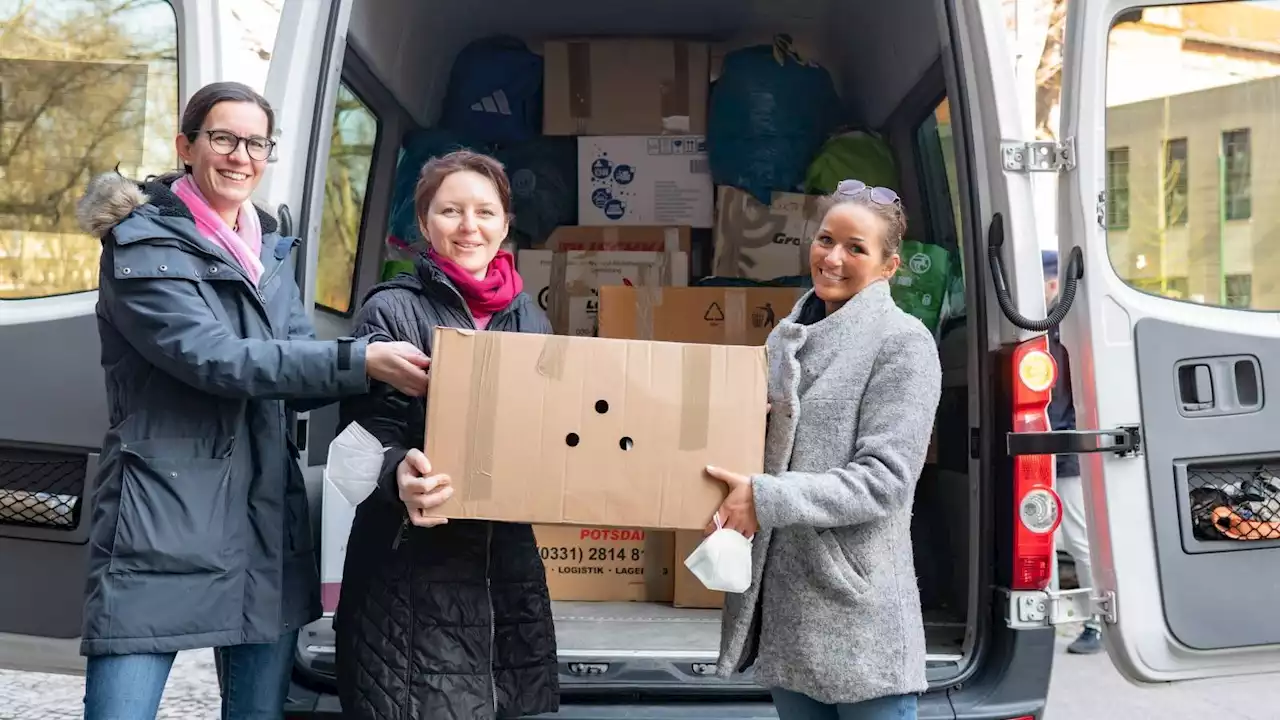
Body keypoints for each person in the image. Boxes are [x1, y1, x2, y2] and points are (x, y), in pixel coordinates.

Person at [74, 81, 431, 719]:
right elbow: (215, 358)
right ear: (187, 146)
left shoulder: (268, 253)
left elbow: (294, 366)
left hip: (264, 513)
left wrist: (393, 364)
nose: (241, 155)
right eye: (223, 138)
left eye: (256, 143)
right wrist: (360, 359)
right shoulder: (140, 249)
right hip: (166, 508)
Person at [333, 150, 559, 720]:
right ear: (424, 223)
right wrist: (398, 482)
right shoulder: (392, 311)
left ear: (506, 224)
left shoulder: (532, 320)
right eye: (450, 211)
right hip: (410, 569)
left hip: (504, 567)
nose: (469, 227)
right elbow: (357, 443)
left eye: (485, 212)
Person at [706, 179, 942, 720]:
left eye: (856, 248)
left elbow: (884, 480)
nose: (833, 258)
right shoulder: (785, 338)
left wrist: (762, 498)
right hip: (790, 612)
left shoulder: (902, 343)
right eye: (825, 240)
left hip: (857, 613)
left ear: (888, 266)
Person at [1043, 250, 1102, 655]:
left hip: (1062, 450)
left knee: (1077, 539)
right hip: (1052, 448)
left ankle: (1096, 621)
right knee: (1045, 539)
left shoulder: (1060, 333)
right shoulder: (1051, 331)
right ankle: (1050, 620)